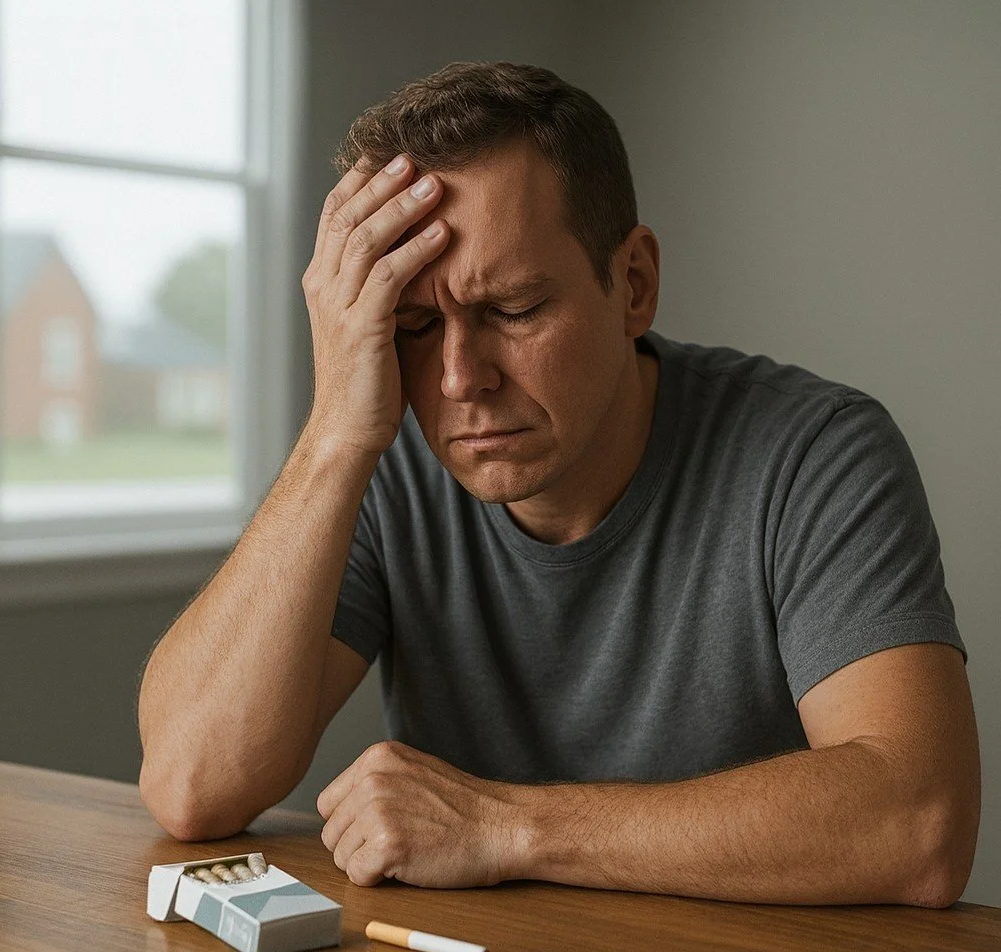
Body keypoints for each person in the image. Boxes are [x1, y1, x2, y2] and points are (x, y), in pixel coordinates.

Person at [138, 61, 980, 906]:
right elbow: (189, 785)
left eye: (513, 310)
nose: (462, 378)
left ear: (634, 286)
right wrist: (332, 437)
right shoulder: (383, 459)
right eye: (418, 326)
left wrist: (504, 826)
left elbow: (918, 823)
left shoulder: (816, 453)